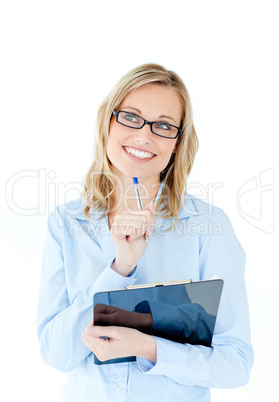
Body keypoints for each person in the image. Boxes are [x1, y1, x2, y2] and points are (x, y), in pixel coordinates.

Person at [37, 63, 254, 402]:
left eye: (163, 125)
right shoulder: (66, 222)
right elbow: (55, 353)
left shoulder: (208, 226)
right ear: (108, 121)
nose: (144, 135)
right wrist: (118, 269)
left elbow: (236, 363)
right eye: (131, 117)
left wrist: (150, 348)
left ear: (177, 144)